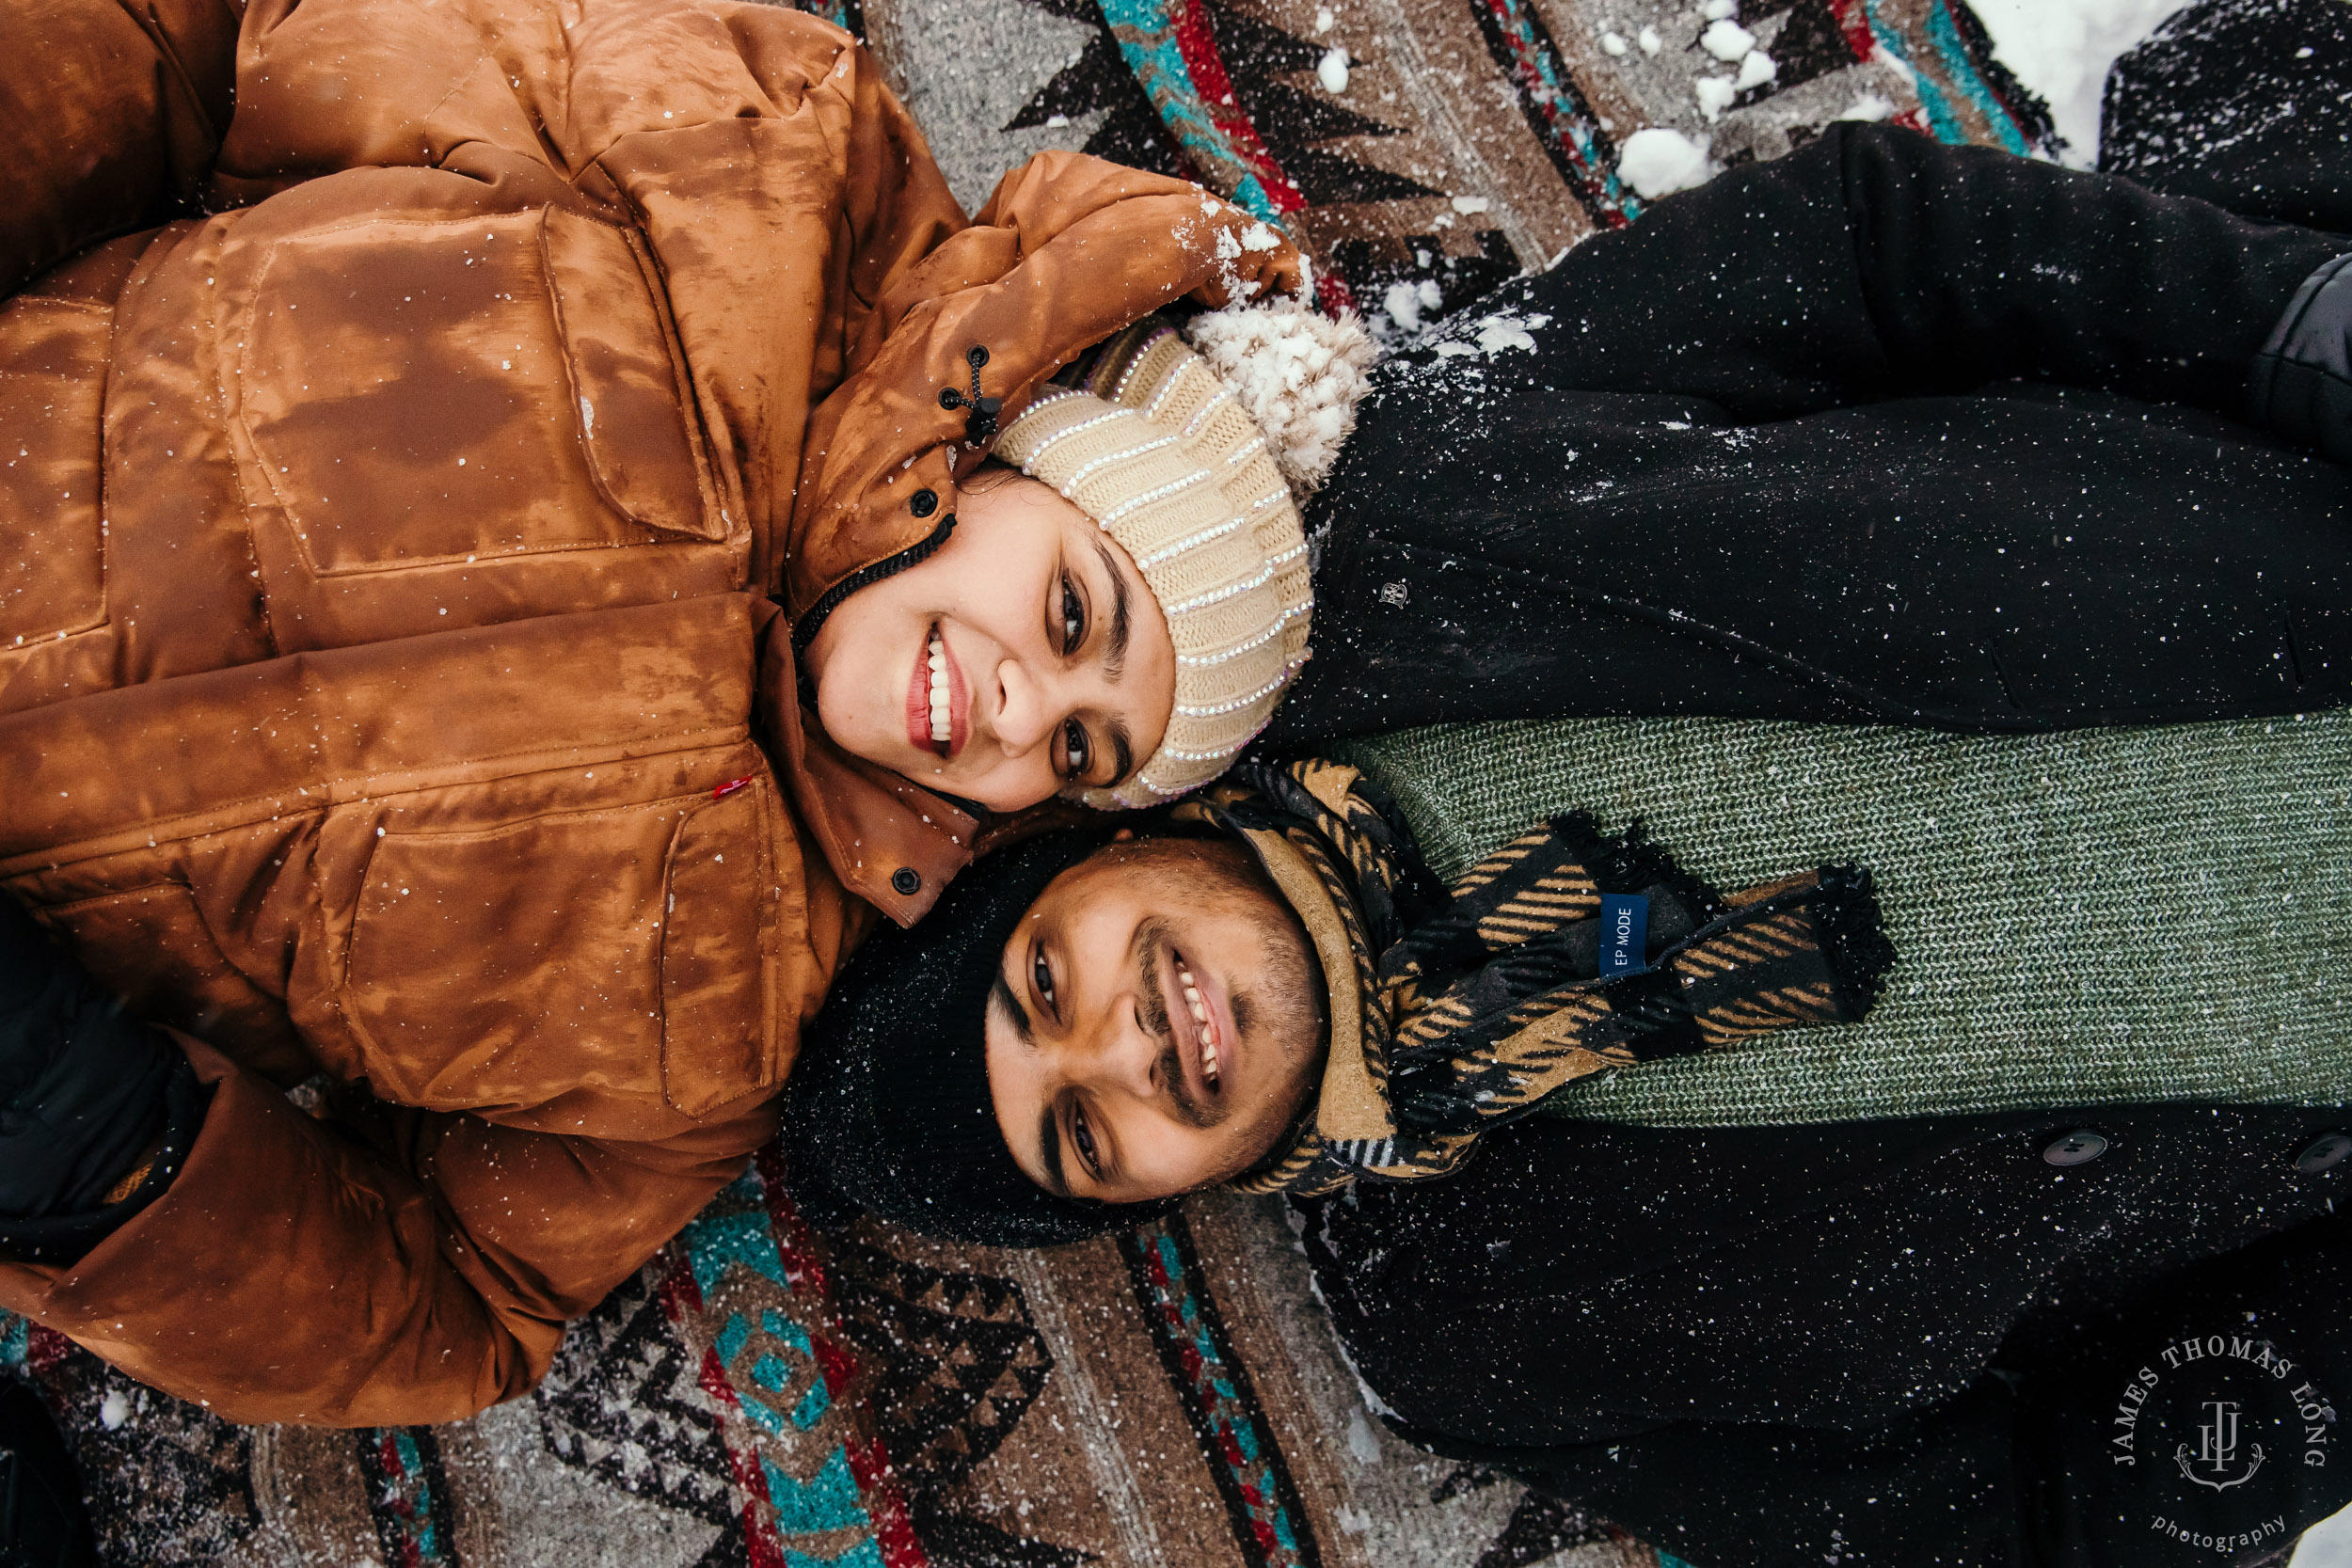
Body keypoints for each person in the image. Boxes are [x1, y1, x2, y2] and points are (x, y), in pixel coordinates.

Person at [0, 0, 1357, 1425]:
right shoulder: (752, 172)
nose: (1024, 711)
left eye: (1082, 750)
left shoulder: (729, 1013)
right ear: (1012, 450)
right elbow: (230, 40)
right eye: (1075, 615)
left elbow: (463, 1307)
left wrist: (106, 1162)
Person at [782, 743, 2352, 1568]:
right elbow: (2042, 1523)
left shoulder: (1400, 576)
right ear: (1150, 1201)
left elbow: (1874, 250)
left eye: (1047, 982)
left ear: (1110, 851)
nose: (1125, 1051)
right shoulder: (1469, 1331)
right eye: (1080, 1132)